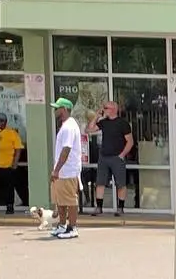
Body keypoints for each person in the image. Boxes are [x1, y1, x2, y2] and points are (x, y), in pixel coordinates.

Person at [88, 100, 134, 216]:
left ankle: (120, 208)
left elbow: (130, 141)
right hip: (104, 156)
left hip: (116, 157)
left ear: (113, 109)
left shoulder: (123, 123)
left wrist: (122, 155)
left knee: (120, 184)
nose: (104, 110)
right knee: (100, 182)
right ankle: (99, 207)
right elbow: (89, 130)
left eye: (106, 108)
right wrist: (97, 116)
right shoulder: (104, 122)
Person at [48, 96, 83, 240]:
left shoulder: (69, 126)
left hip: (68, 171)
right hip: (61, 171)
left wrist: (56, 169)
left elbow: (66, 149)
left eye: (57, 108)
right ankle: (62, 225)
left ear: (65, 109)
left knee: (69, 200)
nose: (55, 110)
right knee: (60, 200)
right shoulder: (65, 125)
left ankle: (72, 227)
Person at [0, 114, 26, 213]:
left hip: (7, 166)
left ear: (5, 122)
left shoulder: (11, 133)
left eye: (2, 120)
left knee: (8, 188)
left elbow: (18, 149)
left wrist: (15, 163)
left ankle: (9, 207)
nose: (0, 122)